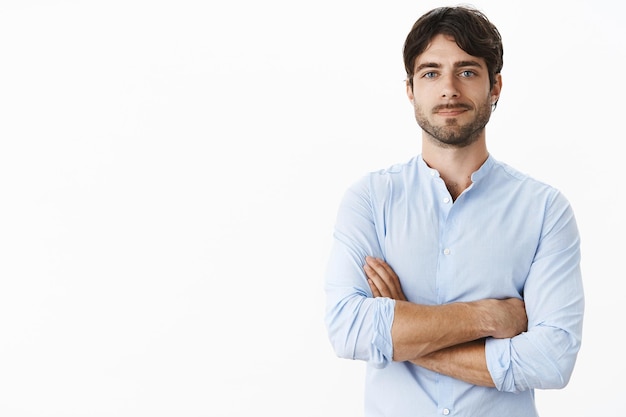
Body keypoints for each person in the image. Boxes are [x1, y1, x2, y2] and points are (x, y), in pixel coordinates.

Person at [324, 5, 584, 417]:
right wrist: (487, 317)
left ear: (495, 86)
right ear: (410, 89)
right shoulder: (371, 199)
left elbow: (551, 359)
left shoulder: (544, 210)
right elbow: (348, 330)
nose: (448, 88)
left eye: (467, 71)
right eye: (430, 73)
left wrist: (404, 331)